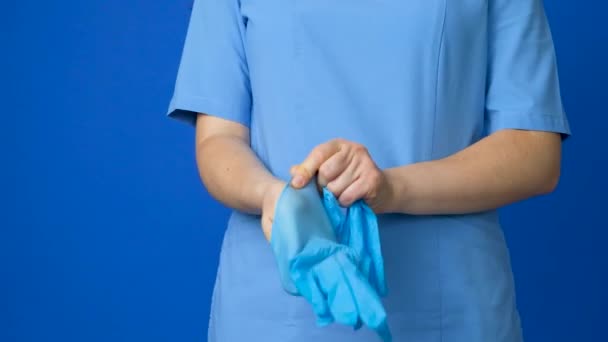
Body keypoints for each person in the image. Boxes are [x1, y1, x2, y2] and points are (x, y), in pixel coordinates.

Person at [167, 0, 570, 340]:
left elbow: (534, 151)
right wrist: (275, 196)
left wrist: (391, 188)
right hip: (276, 299)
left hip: (448, 304)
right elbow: (217, 139)